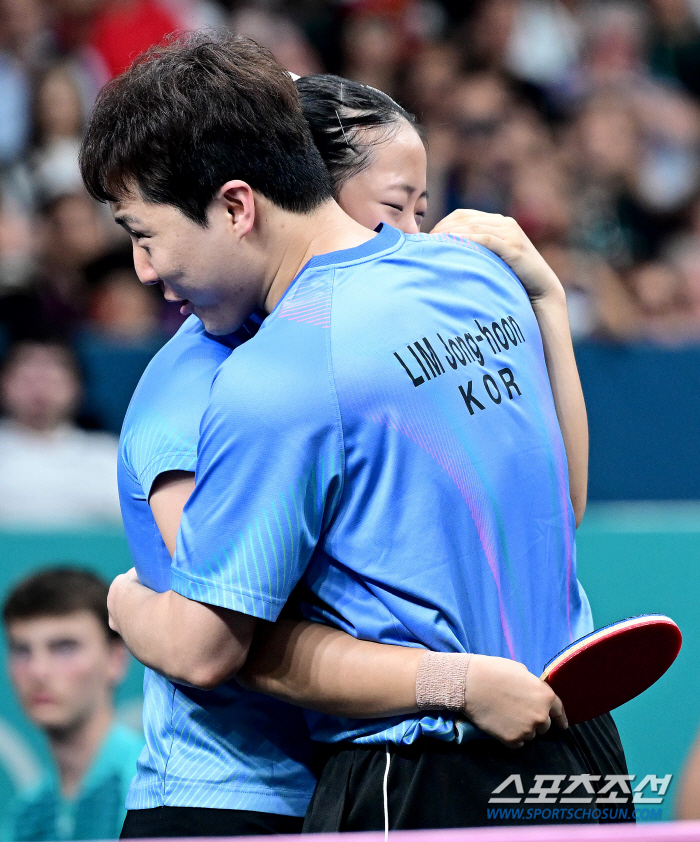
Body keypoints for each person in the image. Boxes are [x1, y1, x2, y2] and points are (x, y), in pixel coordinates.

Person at [80, 33, 627, 833]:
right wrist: (545, 300)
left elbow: (208, 647)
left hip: (413, 769)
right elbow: (559, 510)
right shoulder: (476, 274)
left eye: (147, 233)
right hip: (573, 743)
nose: (144, 271)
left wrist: (124, 600)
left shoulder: (273, 375)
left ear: (239, 205)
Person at [1, 567, 144, 841]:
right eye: (22, 650)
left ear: (116, 659)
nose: (37, 670)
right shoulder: (25, 815)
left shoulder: (151, 789)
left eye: (64, 647)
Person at [0, 340, 122, 526]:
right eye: (27, 380)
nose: (39, 391)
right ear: (5, 384)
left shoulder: (108, 456)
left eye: (51, 380)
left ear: (77, 387)